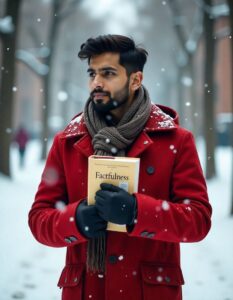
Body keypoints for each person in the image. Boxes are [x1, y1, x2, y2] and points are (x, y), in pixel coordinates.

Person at [28, 35, 212, 300]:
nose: (96, 83)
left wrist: (138, 212)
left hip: (149, 291)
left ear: (135, 80)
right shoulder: (66, 142)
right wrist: (76, 220)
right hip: (86, 291)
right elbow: (39, 220)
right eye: (92, 73)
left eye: (108, 73)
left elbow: (198, 220)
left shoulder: (177, 141)